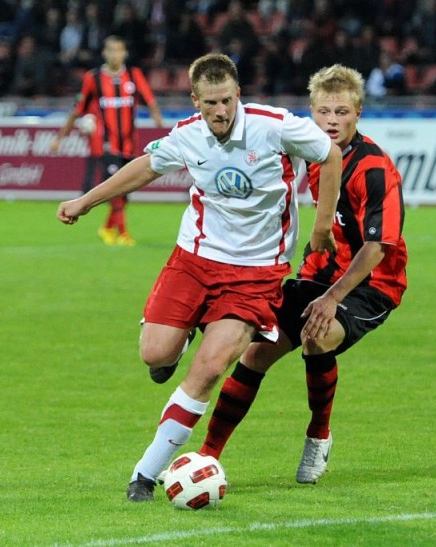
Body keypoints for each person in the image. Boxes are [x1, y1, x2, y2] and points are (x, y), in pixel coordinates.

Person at [56, 53, 342, 501]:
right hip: (194, 260)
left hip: (255, 273)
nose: (221, 111)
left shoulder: (274, 125)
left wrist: (322, 225)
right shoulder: (187, 135)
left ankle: (144, 475)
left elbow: (331, 152)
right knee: (155, 355)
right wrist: (86, 202)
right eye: (211, 103)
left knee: (209, 368)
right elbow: (145, 167)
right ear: (196, 101)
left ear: (238, 95)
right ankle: (182, 336)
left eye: (227, 100)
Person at [196, 64, 408, 484]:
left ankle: (318, 436)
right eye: (325, 112)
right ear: (312, 112)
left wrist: (331, 298)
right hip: (317, 273)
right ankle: (206, 456)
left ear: (358, 114)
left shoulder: (376, 169)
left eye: (342, 112)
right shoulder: (311, 153)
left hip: (371, 283)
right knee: (255, 352)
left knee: (317, 335)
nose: (332, 121)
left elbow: (377, 246)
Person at [51, 35, 164, 246]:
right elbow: (78, 110)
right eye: (110, 50)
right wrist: (60, 138)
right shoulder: (93, 78)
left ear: (125, 53)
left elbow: (150, 99)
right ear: (104, 53)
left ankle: (107, 228)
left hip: (130, 144)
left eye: (118, 50)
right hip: (106, 144)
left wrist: (158, 120)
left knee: (126, 189)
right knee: (116, 188)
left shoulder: (134, 74)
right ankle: (122, 233)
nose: (114, 54)